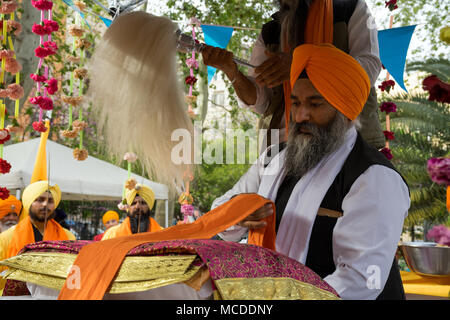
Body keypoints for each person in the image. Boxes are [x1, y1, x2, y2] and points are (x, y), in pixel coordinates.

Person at [210, 43, 410, 300]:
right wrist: (239, 214)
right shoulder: (275, 158)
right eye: (295, 103)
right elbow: (219, 213)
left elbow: (361, 279)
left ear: (345, 112)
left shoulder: (374, 178)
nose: (301, 115)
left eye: (315, 104)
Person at [201, 0, 385, 149]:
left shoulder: (350, 8)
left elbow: (368, 67)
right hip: (284, 147)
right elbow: (260, 101)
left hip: (343, 141)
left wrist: (302, 62)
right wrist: (231, 71)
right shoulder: (270, 32)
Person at [0, 180, 76, 291]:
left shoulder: (68, 237)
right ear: (29, 202)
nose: (45, 204)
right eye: (40, 200)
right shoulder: (7, 237)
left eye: (50, 201)